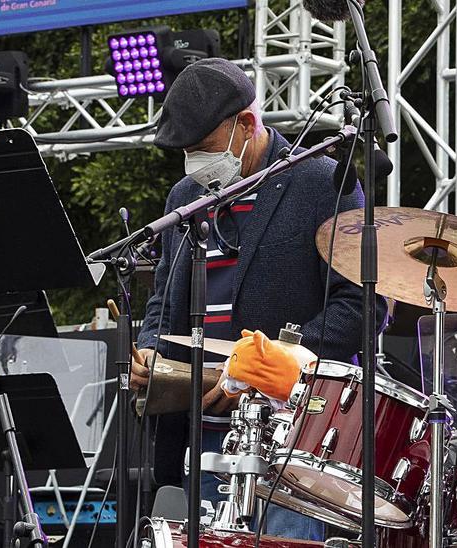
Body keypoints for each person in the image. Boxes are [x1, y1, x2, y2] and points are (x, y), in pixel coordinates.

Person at [131, 58, 386, 539]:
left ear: (247, 125)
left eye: (203, 149)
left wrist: (267, 362)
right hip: (198, 439)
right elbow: (163, 300)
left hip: (292, 443)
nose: (195, 162)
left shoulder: (324, 184)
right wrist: (149, 351)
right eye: (187, 152)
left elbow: (361, 309)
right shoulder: (184, 197)